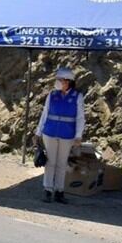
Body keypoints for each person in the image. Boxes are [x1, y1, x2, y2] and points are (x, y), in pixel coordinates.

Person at [35, 67, 85, 204]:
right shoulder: (52, 95)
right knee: (50, 163)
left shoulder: (77, 96)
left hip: (67, 134)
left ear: (67, 81)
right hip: (50, 132)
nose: (57, 82)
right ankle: (48, 190)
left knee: (61, 164)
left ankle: (59, 191)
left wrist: (78, 136)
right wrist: (38, 132)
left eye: (59, 80)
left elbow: (80, 118)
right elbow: (44, 114)